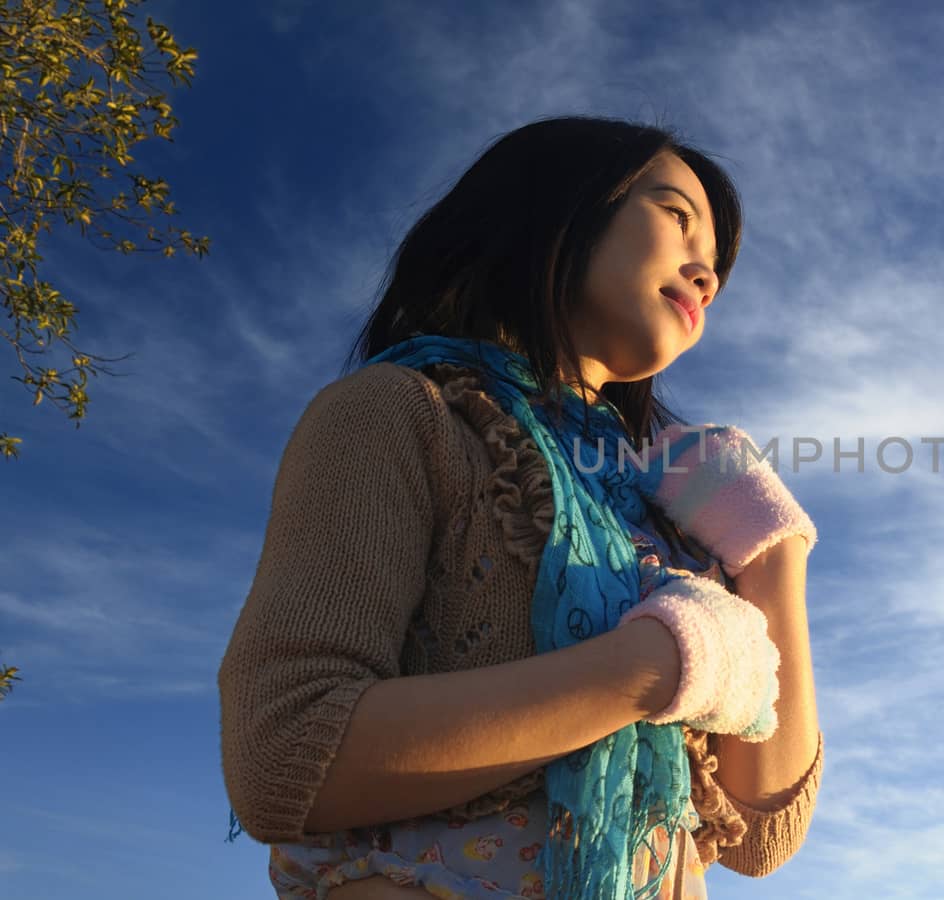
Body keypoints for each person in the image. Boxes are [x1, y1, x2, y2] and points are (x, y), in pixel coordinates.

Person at [217, 115, 825, 899]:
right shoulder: (403, 414)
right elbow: (284, 751)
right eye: (677, 216)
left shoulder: (658, 513)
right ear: (558, 206)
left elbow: (762, 830)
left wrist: (772, 554)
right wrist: (660, 664)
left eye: (714, 266)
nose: (705, 272)